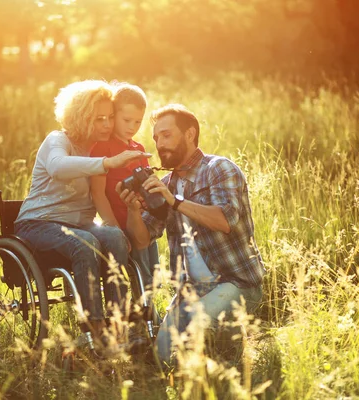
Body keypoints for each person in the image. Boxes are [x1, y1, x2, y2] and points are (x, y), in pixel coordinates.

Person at [117, 104, 265, 367]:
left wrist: (174, 201)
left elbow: (225, 221)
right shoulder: (166, 185)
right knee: (162, 358)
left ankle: (226, 353)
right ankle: (221, 348)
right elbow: (141, 240)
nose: (160, 144)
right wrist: (132, 210)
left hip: (236, 283)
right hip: (191, 292)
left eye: (167, 135)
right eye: (156, 138)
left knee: (194, 333)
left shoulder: (219, 168)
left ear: (189, 134)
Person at [14, 80, 151, 339]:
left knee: (113, 236)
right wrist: (107, 162)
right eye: (99, 119)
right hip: (39, 223)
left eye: (110, 117)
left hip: (78, 224)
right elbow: (57, 167)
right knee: (85, 241)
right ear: (81, 117)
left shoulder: (99, 148)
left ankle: (119, 323)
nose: (107, 125)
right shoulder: (57, 141)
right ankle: (95, 328)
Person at [90, 83, 159, 288]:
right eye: (127, 120)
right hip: (119, 225)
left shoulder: (139, 148)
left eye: (138, 121)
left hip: (141, 222)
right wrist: (115, 232)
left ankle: (150, 313)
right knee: (134, 277)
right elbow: (98, 194)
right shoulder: (102, 148)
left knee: (150, 277)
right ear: (114, 115)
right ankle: (136, 314)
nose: (132, 127)